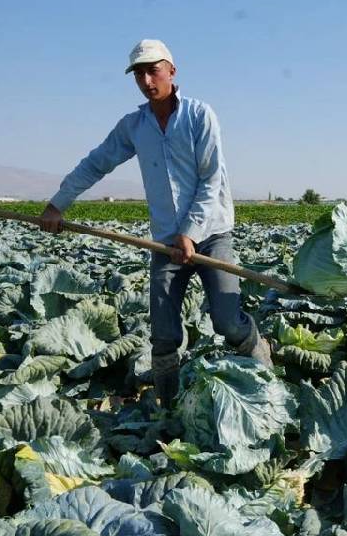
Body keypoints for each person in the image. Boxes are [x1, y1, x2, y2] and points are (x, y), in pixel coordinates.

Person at [38, 39, 271, 406]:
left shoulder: (199, 116)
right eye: (139, 74)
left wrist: (190, 233)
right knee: (163, 335)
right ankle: (168, 408)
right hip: (165, 242)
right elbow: (96, 163)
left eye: (154, 70)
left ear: (172, 71)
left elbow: (212, 181)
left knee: (227, 323)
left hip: (211, 234)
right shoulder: (134, 126)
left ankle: (261, 364)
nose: (147, 80)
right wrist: (57, 204)